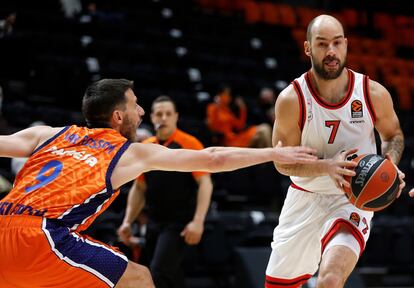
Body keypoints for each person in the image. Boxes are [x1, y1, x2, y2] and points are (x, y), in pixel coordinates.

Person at [0, 78, 318, 288]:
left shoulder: (49, 134)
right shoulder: (128, 152)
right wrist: (274, 153)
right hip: (42, 236)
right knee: (138, 279)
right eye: (135, 104)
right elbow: (213, 159)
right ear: (117, 117)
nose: (142, 111)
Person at [265, 15, 406, 288]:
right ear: (307, 48)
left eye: (337, 43)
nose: (331, 51)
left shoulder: (372, 92)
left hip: (351, 199)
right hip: (305, 197)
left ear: (346, 44)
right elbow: (281, 163)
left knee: (329, 279)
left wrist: (389, 163)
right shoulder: (292, 99)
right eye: (322, 44)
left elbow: (393, 135)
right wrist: (326, 167)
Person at [118, 95, 213, 288]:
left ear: (176, 116)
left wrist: (198, 221)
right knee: (170, 275)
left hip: (179, 223)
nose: (163, 118)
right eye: (159, 114)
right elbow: (139, 187)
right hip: (153, 221)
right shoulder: (146, 147)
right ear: (151, 117)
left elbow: (205, 183)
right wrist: (128, 221)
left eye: (168, 114)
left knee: (158, 273)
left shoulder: (190, 143)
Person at [206, 85, 272, 148]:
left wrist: (242, 109)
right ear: (219, 95)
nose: (229, 97)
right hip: (227, 141)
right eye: (226, 94)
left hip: (234, 137)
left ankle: (269, 156)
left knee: (265, 129)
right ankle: (272, 155)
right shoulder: (212, 107)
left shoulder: (226, 110)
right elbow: (213, 125)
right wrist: (217, 107)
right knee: (263, 130)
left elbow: (240, 126)